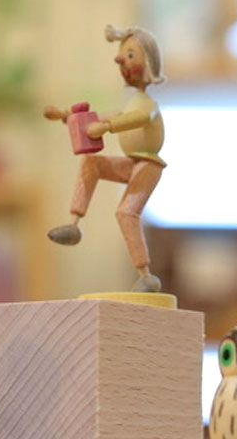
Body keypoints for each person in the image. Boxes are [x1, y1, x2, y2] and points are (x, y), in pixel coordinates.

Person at [45, 24, 166, 292]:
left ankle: (145, 275)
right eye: (123, 55)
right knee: (92, 162)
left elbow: (138, 118)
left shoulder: (148, 105)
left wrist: (107, 127)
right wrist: (67, 116)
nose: (121, 60)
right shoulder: (132, 102)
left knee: (126, 212)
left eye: (131, 55)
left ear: (148, 63)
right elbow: (105, 115)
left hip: (148, 166)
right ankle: (74, 225)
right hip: (132, 163)